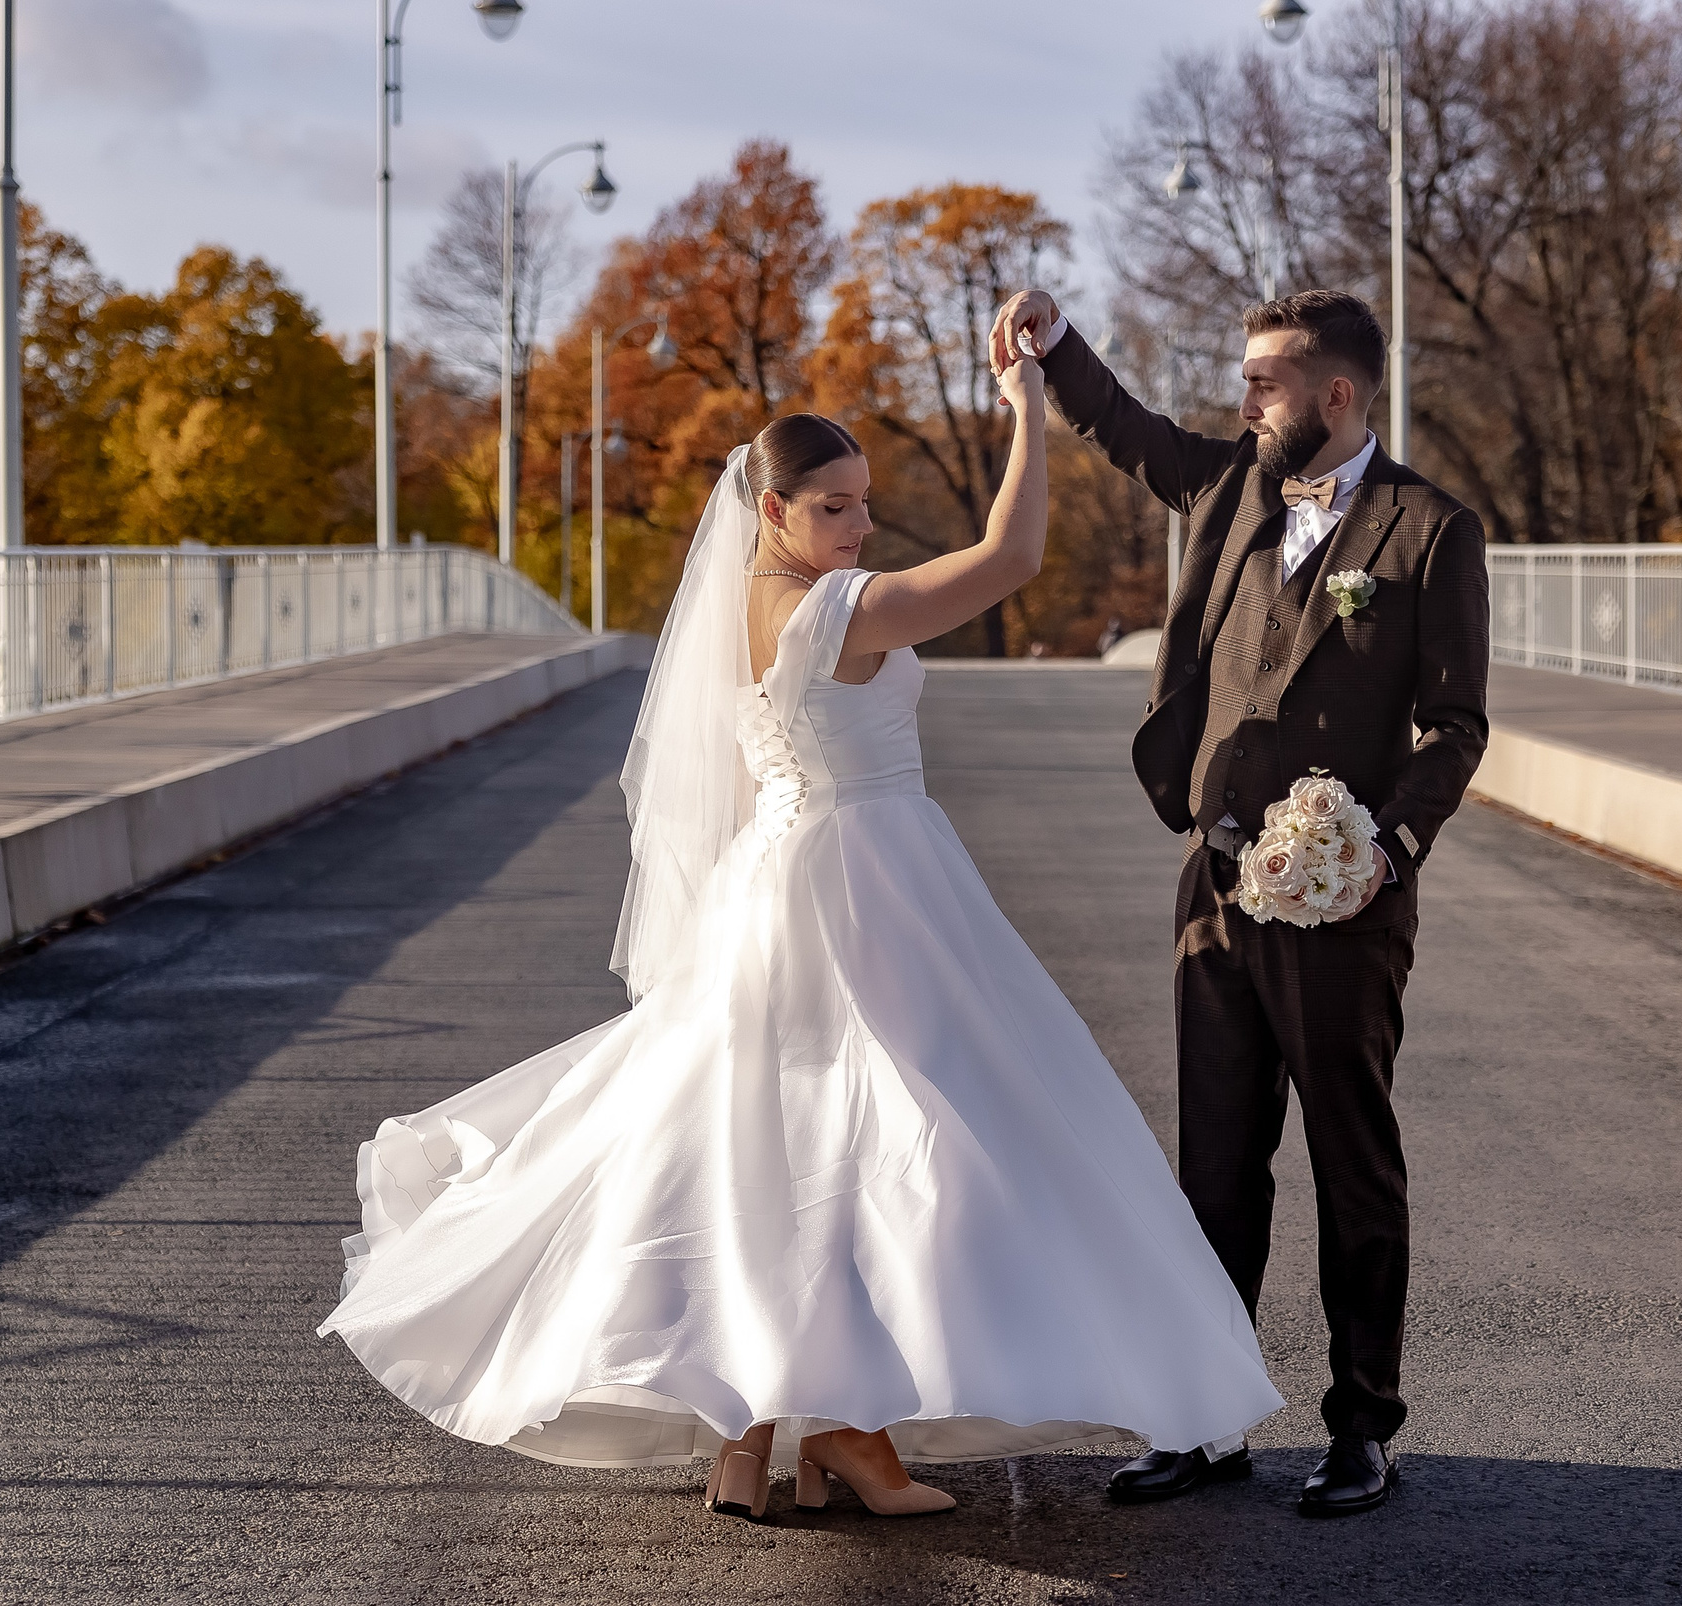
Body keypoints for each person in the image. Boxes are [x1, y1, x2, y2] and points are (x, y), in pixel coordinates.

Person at [315, 357, 1282, 1523]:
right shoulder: (843, 608)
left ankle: (761, 1434)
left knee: (776, 1148)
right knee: (897, 1140)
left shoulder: (742, 608)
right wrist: (1028, 414)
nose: (861, 524)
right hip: (870, 876)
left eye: (867, 502)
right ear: (769, 509)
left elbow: (738, 773)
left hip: (774, 876)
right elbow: (1012, 561)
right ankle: (841, 1429)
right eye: (835, 505)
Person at [990, 287, 1490, 1519]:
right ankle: (1203, 1420)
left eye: (1266, 379)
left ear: (1337, 393)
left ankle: (1363, 1427)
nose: (1244, 396)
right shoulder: (1227, 485)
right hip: (1213, 883)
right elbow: (1122, 424)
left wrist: (1384, 841)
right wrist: (1052, 345)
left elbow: (1454, 723)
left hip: (1342, 896)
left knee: (1349, 1161)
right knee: (1214, 1165)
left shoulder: (1430, 531)